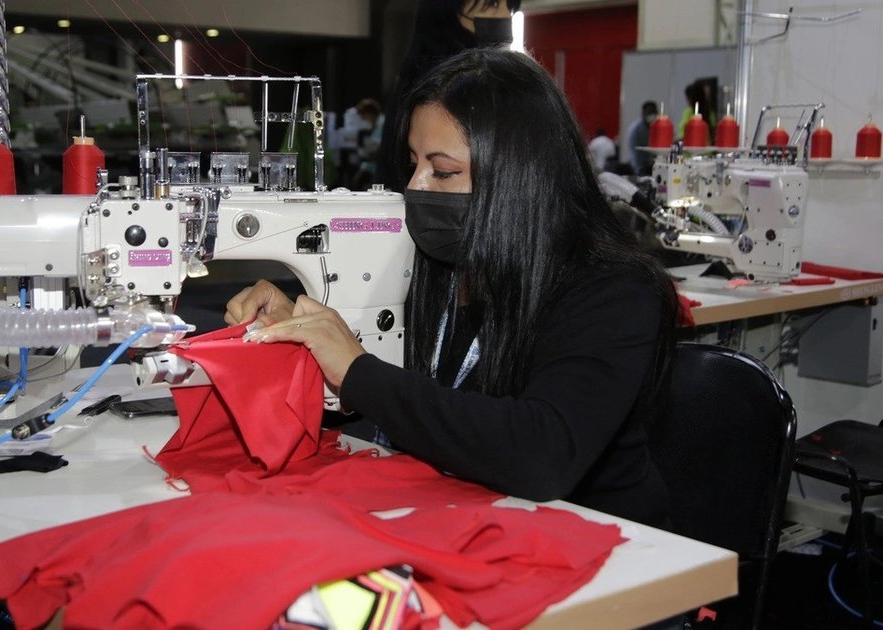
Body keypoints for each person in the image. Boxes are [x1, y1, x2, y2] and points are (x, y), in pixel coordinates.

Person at [225, 49, 679, 529]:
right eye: (413, 164)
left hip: (597, 541)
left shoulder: (613, 291)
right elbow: (408, 410)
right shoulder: (434, 263)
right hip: (455, 510)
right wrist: (302, 337)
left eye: (442, 171)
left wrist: (357, 371)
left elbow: (541, 453)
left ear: (518, 176)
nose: (416, 186)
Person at [376, 0, 519, 193]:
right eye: (491, 5)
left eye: (509, 7)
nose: (504, 15)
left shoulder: (508, 83)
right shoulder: (429, 87)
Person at [353, 98, 385, 189]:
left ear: (369, 113)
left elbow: (375, 150)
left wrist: (363, 168)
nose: (363, 119)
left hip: (380, 167)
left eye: (363, 116)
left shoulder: (381, 124)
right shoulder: (377, 123)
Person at [625, 101, 657, 176]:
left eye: (654, 112)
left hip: (643, 165)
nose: (652, 115)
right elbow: (651, 148)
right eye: (649, 113)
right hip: (639, 167)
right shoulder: (639, 129)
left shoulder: (647, 127)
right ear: (643, 113)